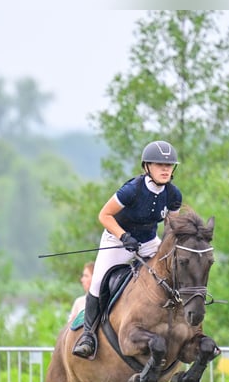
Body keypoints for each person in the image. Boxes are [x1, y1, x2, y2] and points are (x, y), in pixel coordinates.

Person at [72, 139, 182, 359]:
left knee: (174, 274)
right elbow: (104, 215)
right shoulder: (132, 190)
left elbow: (172, 228)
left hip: (149, 241)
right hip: (117, 239)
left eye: (168, 166)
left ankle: (181, 325)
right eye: (159, 165)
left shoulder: (173, 195)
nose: (165, 170)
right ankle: (88, 336)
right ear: (147, 167)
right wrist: (123, 236)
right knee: (97, 281)